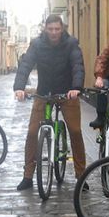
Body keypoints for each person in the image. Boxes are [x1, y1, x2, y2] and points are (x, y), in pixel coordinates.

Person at [13, 14, 85, 191]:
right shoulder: (37, 44)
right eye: (51, 29)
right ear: (45, 29)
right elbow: (26, 64)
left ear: (62, 29)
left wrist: (76, 87)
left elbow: (78, 66)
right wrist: (19, 87)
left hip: (67, 93)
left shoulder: (71, 44)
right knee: (31, 132)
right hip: (44, 93)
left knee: (75, 131)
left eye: (57, 29)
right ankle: (28, 176)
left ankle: (82, 176)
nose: (54, 32)